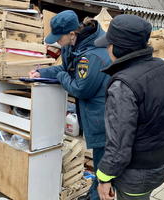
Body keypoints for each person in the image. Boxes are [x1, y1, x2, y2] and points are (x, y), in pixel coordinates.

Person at [29, 10, 111, 200]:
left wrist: (60, 75)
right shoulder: (73, 47)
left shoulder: (94, 55)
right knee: (101, 165)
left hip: (102, 118)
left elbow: (80, 89)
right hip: (90, 114)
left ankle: (97, 196)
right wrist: (43, 72)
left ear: (72, 34)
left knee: (103, 166)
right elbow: (65, 70)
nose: (57, 42)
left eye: (59, 38)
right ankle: (94, 195)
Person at [94, 14, 164, 200]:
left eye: (109, 44)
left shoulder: (123, 85)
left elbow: (119, 145)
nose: (107, 48)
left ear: (116, 47)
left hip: (138, 171)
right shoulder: (161, 67)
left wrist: (104, 177)